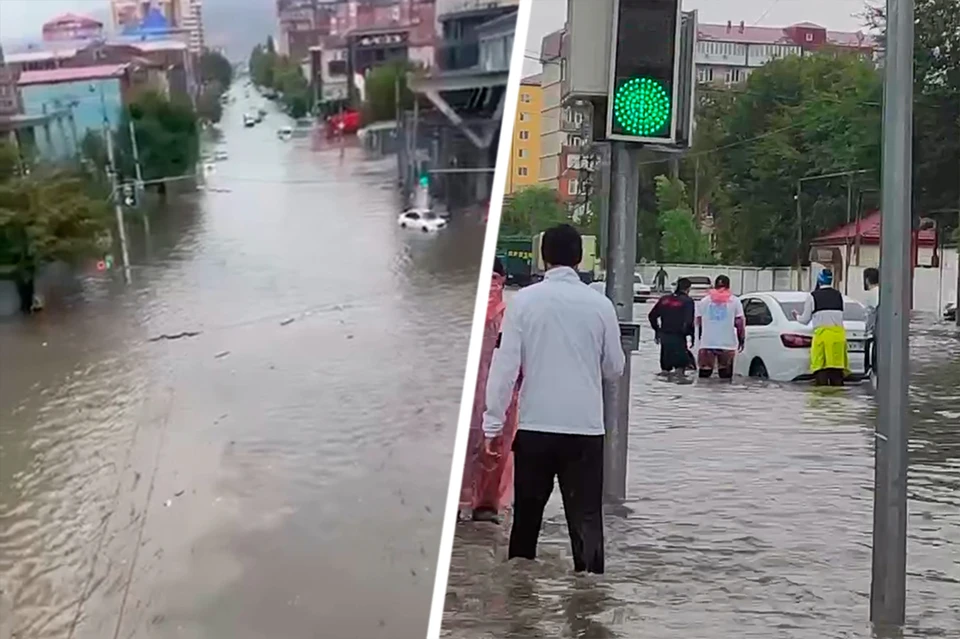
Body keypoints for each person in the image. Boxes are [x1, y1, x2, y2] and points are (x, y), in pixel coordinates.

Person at [483, 224, 625, 574]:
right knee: (587, 521)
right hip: (585, 431)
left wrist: (492, 424)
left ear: (543, 257)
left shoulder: (523, 303)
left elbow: (504, 368)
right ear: (579, 258)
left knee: (526, 522)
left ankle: (519, 606)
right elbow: (614, 368)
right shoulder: (601, 306)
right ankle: (589, 602)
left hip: (535, 429)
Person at [460, 257, 520, 522]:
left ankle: (465, 503)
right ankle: (484, 504)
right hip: (500, 392)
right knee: (494, 443)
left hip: (484, 390)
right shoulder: (512, 312)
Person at [794, 269, 849, 386]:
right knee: (837, 373)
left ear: (819, 280)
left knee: (821, 371)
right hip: (838, 337)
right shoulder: (838, 295)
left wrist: (796, 316)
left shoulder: (812, 296)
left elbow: (804, 320)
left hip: (822, 338)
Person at [695, 275, 745, 379]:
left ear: (714, 285)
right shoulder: (735, 301)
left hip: (707, 344)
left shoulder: (704, 301)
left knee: (704, 378)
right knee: (725, 379)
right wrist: (741, 340)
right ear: (728, 286)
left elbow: (698, 322)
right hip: (727, 344)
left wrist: (701, 338)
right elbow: (740, 323)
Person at [649, 277, 696, 374]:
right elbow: (689, 321)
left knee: (665, 369)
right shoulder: (687, 301)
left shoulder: (664, 299)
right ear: (688, 289)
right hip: (678, 337)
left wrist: (657, 330)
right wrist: (692, 336)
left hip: (665, 338)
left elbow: (652, 316)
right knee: (680, 370)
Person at [863, 267, 880, 381]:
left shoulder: (870, 295)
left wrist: (867, 331)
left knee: (871, 364)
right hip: (882, 332)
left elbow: (870, 314)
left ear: (867, 280)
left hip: (874, 334)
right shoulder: (882, 291)